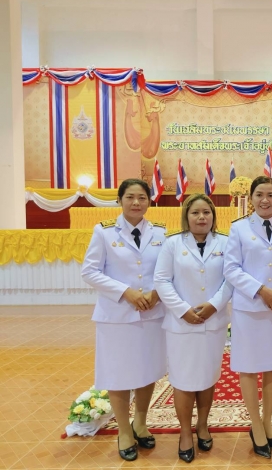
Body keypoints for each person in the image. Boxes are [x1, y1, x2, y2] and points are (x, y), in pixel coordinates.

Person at [81, 178, 166, 462]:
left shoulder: (161, 233)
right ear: (120, 200)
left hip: (151, 314)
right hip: (116, 315)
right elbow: (90, 272)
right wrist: (125, 292)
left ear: (149, 201)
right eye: (130, 197)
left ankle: (140, 422)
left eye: (142, 197)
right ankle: (123, 431)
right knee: (117, 373)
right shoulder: (104, 232)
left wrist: (157, 292)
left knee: (147, 370)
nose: (136, 203)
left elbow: (166, 271)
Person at [223, 176, 272, 459]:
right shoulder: (238, 228)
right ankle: (255, 424)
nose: (265, 200)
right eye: (259, 195)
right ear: (251, 198)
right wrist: (260, 290)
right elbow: (231, 268)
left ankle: (268, 422)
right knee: (248, 366)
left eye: (270, 195)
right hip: (249, 309)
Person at [154, 194, 233, 463]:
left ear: (213, 216)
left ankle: (203, 424)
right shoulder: (172, 244)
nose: (201, 218)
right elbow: (162, 280)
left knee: (208, 377)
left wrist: (214, 305)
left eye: (206, 213)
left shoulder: (225, 243)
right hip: (181, 324)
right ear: (186, 216)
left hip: (213, 321)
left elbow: (231, 279)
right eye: (196, 213)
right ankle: (185, 432)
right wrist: (182, 310)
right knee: (183, 379)